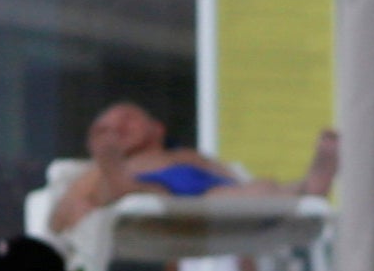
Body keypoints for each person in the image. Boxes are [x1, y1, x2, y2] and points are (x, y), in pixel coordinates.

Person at [45, 99, 336, 236]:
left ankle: (309, 186)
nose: (117, 127)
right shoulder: (93, 170)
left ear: (156, 129)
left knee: (259, 189)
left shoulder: (186, 156)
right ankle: (120, 182)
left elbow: (231, 181)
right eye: (105, 128)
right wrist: (75, 211)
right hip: (142, 199)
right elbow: (59, 218)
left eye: (127, 119)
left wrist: (250, 186)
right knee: (143, 193)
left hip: (204, 198)